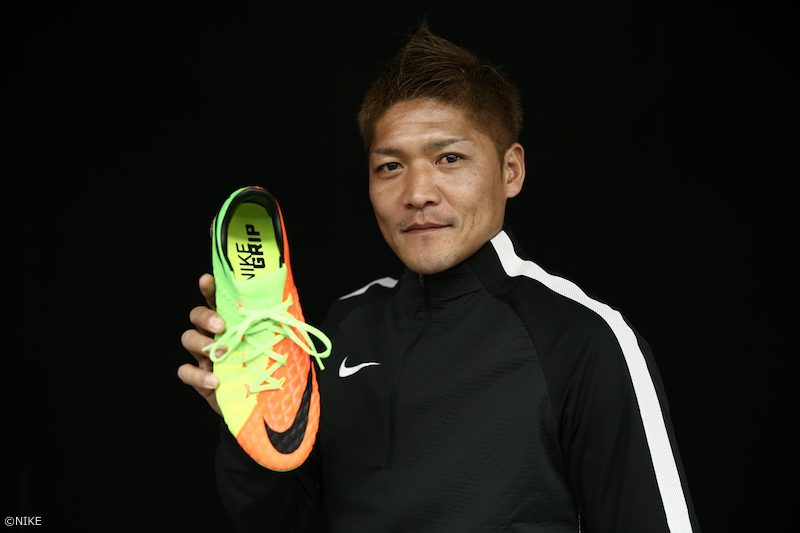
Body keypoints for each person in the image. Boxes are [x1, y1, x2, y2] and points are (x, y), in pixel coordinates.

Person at [179, 23, 702, 532]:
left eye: (449, 158)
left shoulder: (582, 339)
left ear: (511, 171)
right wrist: (246, 424)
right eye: (390, 167)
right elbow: (279, 520)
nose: (417, 194)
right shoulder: (345, 325)